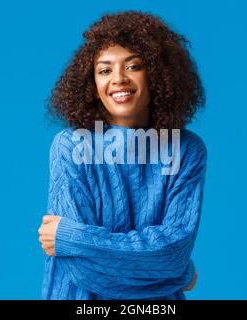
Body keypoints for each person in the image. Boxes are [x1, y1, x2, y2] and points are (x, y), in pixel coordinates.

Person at [38, 10, 207, 300]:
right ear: (92, 84)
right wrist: (180, 274)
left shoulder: (186, 150)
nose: (118, 79)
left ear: (156, 73)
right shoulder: (70, 146)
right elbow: (83, 272)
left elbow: (173, 253)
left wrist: (73, 237)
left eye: (133, 67)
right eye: (104, 70)